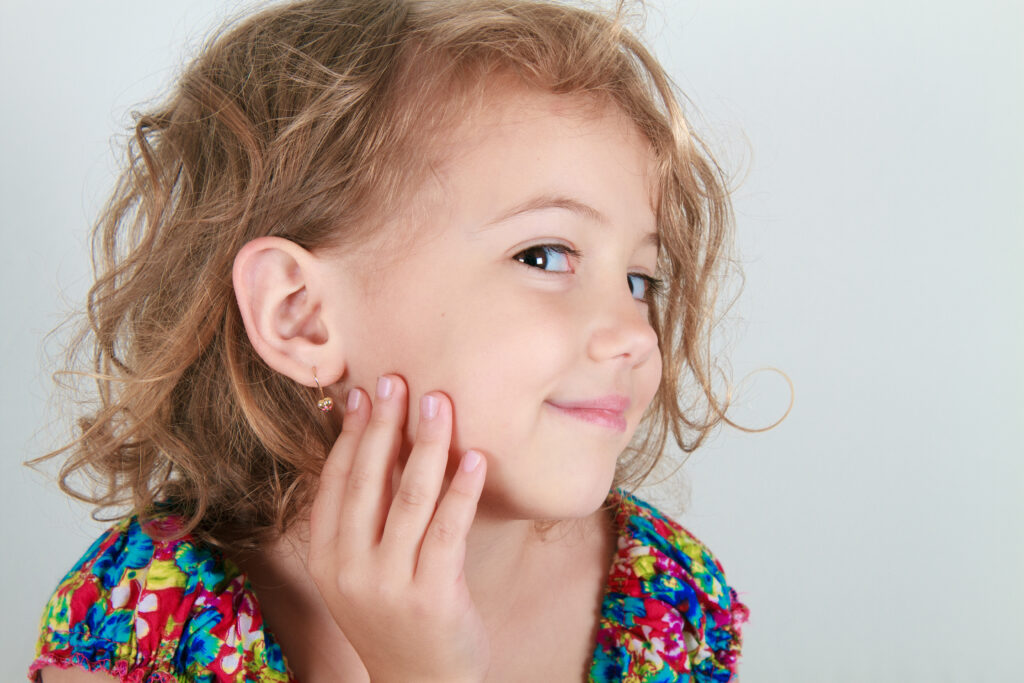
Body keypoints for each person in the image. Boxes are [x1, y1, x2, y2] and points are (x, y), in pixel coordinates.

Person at [28, 0, 751, 681]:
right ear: (300, 315)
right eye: (544, 255)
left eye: (639, 279)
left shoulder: (667, 599)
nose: (632, 335)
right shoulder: (144, 621)